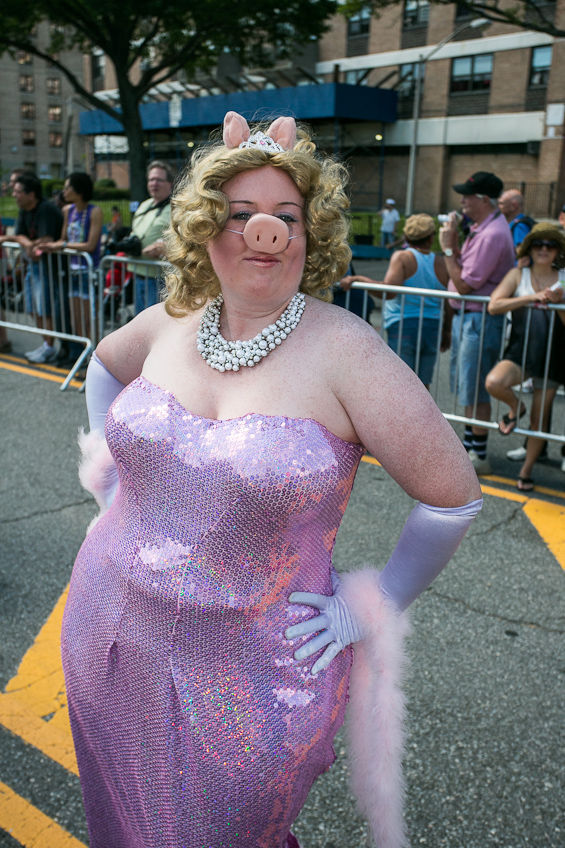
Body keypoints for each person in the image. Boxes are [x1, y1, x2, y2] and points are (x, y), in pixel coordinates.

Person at [61, 111, 482, 848]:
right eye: (241, 215)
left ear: (309, 231)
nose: (266, 233)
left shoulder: (348, 352)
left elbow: (452, 496)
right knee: (119, 817)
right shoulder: (170, 319)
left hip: (251, 678)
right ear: (204, 229)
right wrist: (112, 487)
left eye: (284, 216)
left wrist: (375, 600)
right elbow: (101, 366)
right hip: (107, 631)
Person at [439, 171, 515, 475]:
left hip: (477, 318)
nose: (462, 202)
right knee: (467, 386)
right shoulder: (485, 228)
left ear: (483, 199)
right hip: (470, 317)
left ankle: (479, 454)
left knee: (475, 387)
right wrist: (455, 244)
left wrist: (446, 248)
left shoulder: (493, 233)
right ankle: (472, 448)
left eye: (467, 196)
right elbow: (466, 272)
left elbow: (465, 284)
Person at [485, 224, 565, 490]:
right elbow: (494, 305)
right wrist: (534, 297)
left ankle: (526, 471)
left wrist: (558, 303)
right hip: (520, 350)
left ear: (557, 251)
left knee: (539, 420)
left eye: (549, 245)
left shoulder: (564, 279)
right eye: (538, 244)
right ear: (530, 249)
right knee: (494, 382)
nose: (543, 249)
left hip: (553, 355)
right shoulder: (518, 274)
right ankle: (515, 407)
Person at [381, 213, 450, 389]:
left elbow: (389, 291)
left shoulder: (402, 257)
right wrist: (447, 330)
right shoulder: (442, 262)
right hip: (433, 325)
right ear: (431, 238)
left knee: (401, 383)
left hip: (403, 323)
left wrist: (360, 280)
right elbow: (449, 302)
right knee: (423, 384)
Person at [0, 172, 63, 363]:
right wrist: (27, 243)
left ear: (31, 194)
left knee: (44, 308)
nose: (14, 195)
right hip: (32, 267)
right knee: (32, 308)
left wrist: (28, 243)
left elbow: (46, 240)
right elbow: (19, 236)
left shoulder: (46, 210)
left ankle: (50, 347)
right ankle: (46, 345)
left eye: (18, 191)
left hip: (49, 268)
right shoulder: (24, 210)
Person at [41, 172, 103, 367]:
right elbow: (62, 239)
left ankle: (96, 361)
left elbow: (91, 245)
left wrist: (63, 245)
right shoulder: (68, 210)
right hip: (72, 271)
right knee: (76, 321)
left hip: (87, 271)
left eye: (68, 187)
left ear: (79, 190)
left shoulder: (95, 211)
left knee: (89, 320)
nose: (64, 191)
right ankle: (84, 360)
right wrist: (54, 245)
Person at [128, 160, 173, 313]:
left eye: (159, 180)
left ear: (170, 183)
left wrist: (164, 248)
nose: (154, 183)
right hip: (138, 274)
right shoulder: (144, 205)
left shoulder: (176, 207)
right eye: (151, 179)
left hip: (159, 279)